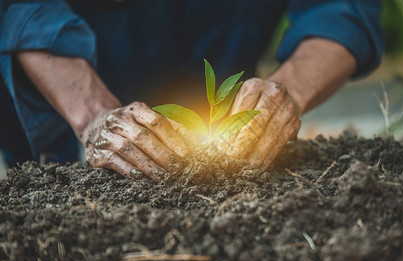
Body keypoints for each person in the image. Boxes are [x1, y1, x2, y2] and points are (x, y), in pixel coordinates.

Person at [0, 0, 383, 178]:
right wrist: (95, 116)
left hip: (218, 115)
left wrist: (287, 94)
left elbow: (340, 7)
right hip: (61, 105)